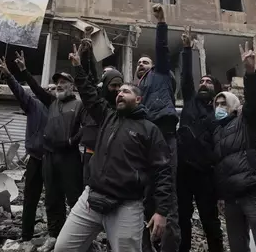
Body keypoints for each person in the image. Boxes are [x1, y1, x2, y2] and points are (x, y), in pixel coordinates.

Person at [54, 44, 172, 252]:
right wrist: (78, 67)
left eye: (125, 91)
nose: (119, 94)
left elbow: (163, 171)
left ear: (138, 99)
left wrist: (161, 211)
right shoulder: (107, 116)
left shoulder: (149, 130)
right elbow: (90, 95)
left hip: (126, 205)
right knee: (63, 248)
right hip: (91, 199)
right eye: (118, 92)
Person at [11, 50, 87, 240]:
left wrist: (72, 141)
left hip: (69, 158)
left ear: (72, 86)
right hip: (49, 157)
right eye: (58, 83)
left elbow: (86, 127)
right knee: (52, 200)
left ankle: (79, 239)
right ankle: (56, 237)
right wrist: (24, 71)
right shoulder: (52, 102)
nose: (60, 86)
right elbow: (36, 89)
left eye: (63, 83)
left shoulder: (79, 105)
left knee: (74, 199)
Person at [213, 42, 256, 252]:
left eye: (224, 103)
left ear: (233, 105)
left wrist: (250, 71)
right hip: (231, 199)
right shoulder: (217, 132)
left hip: (254, 193)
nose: (219, 107)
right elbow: (220, 168)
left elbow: (254, 100)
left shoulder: (247, 120)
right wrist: (220, 196)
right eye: (217, 104)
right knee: (237, 247)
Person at [176, 27, 224, 252]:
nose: (203, 83)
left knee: (209, 220)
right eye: (202, 81)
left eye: (208, 82)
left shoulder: (220, 113)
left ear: (216, 90)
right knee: (182, 219)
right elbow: (186, 78)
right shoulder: (190, 102)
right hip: (183, 172)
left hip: (206, 175)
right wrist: (187, 50)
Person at [136, 4, 180, 252]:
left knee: (168, 201)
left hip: (163, 136)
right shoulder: (137, 89)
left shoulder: (161, 73)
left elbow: (161, 50)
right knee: (143, 199)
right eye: (139, 63)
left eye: (146, 62)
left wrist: (161, 23)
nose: (142, 64)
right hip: (143, 142)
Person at [0, 56, 54, 241]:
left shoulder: (63, 109)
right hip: (36, 159)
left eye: (54, 89)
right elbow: (20, 93)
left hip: (54, 161)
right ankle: (26, 235)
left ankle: (55, 235)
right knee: (30, 199)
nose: (51, 91)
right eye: (49, 89)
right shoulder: (35, 105)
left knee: (54, 200)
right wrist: (8, 76)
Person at [75, 40, 124, 185]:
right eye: (113, 85)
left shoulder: (123, 106)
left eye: (120, 86)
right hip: (92, 153)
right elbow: (88, 79)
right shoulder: (97, 100)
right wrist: (86, 54)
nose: (117, 90)